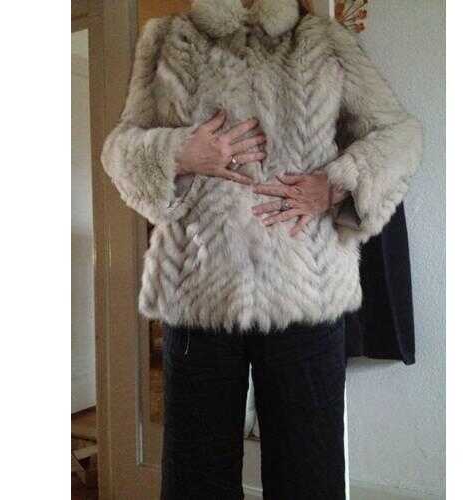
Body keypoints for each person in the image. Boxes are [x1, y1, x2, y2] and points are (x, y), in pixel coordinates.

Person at [101, 0, 422, 498]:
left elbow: (400, 135)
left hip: (306, 291)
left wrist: (334, 185)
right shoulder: (167, 39)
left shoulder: (322, 41)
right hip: (199, 292)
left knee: (308, 474)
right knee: (195, 476)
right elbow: (120, 147)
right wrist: (180, 152)